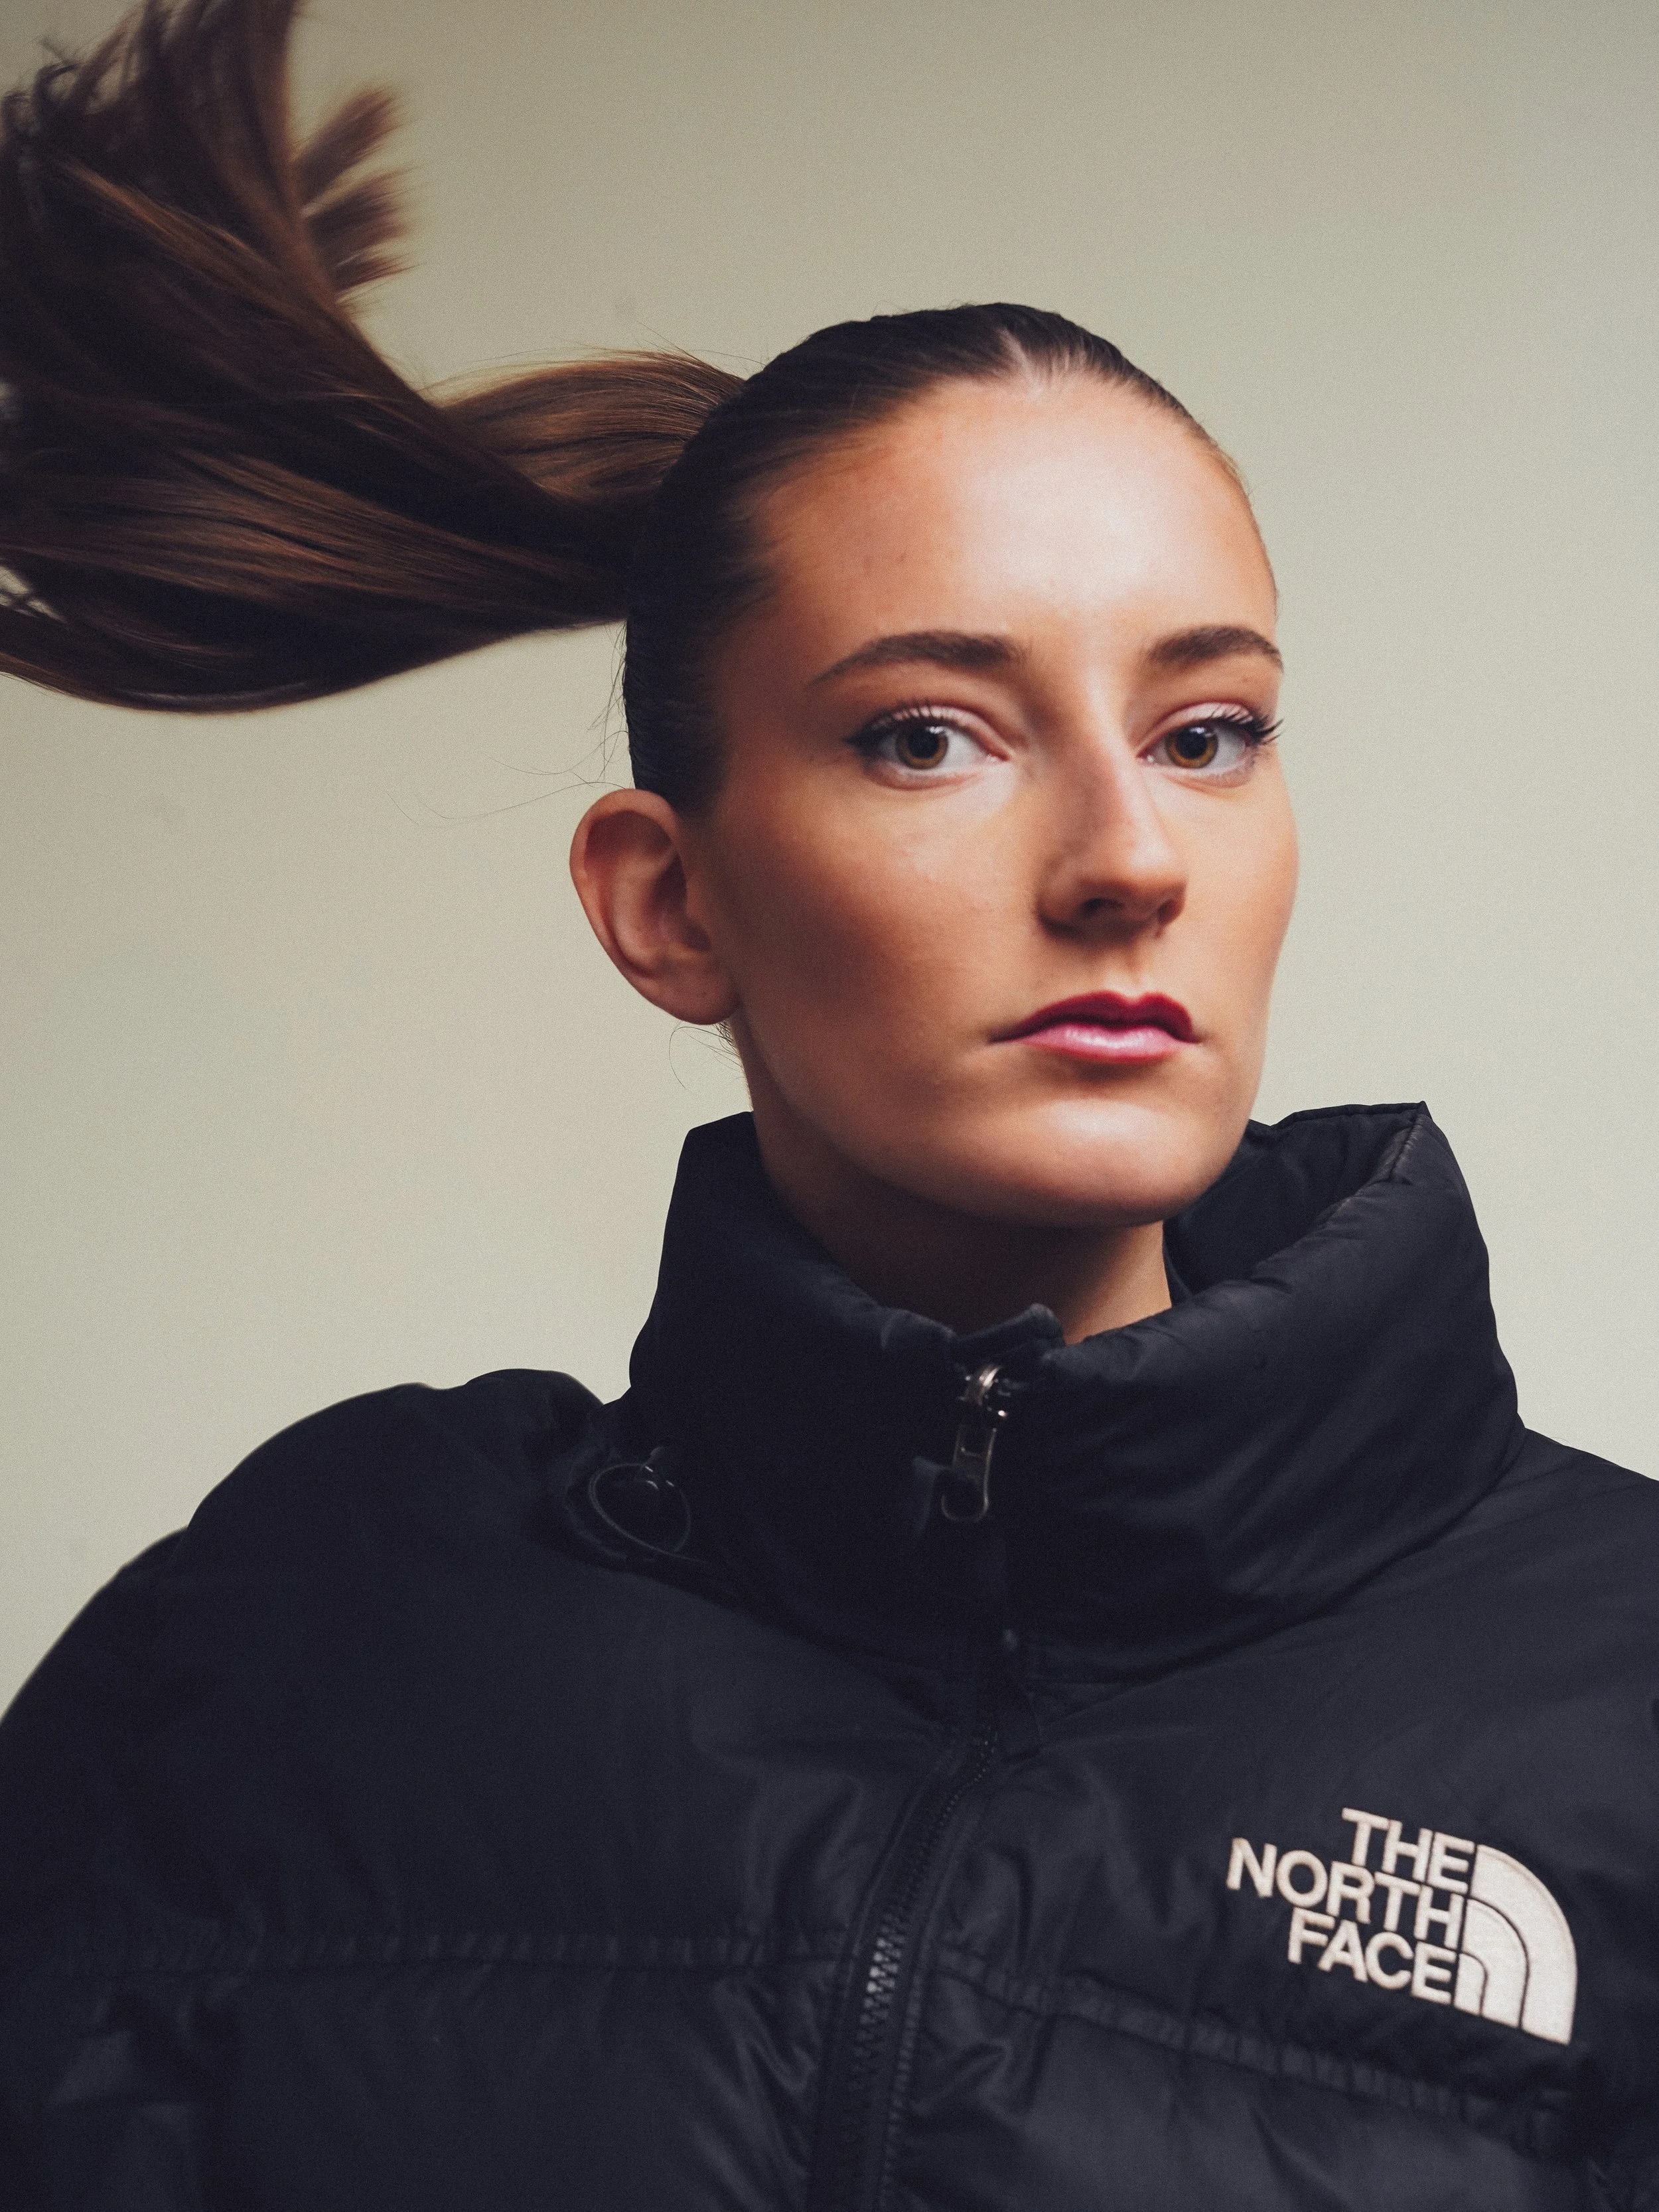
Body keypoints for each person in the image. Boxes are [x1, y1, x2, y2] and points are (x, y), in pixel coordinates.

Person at [1, 1, 1655, 2205]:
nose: (1126, 857)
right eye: (926, 736)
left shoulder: (1615, 1690)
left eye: (1205, 730)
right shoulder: (304, 1635)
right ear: (665, 902)